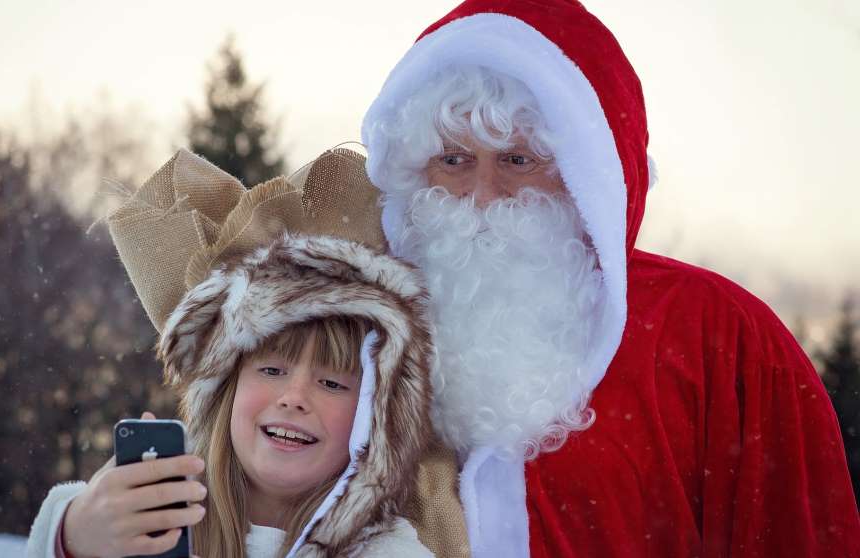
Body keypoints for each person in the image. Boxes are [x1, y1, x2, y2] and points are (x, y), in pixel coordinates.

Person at [358, 1, 860, 557]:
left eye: (518, 160)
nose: (482, 195)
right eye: (453, 160)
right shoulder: (347, 331)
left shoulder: (717, 334)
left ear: (584, 174)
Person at [26, 150, 436, 557]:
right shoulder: (147, 525)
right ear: (225, 386)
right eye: (273, 370)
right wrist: (74, 537)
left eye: (331, 383)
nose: (293, 397)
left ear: (374, 417)